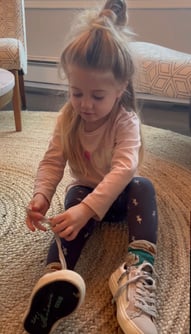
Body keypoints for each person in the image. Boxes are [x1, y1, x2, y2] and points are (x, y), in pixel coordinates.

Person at [23, 1, 158, 333]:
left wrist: (87, 209)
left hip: (123, 198)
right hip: (84, 193)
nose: (85, 104)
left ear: (120, 89)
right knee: (70, 209)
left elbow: (125, 168)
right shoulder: (68, 119)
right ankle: (54, 277)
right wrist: (41, 196)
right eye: (76, 92)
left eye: (97, 96)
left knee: (143, 187)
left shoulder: (125, 121)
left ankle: (138, 270)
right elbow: (52, 161)